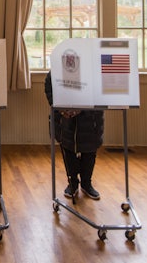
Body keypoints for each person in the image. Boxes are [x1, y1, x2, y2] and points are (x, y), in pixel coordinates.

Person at [44, 71, 104, 200]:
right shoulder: (62, 58)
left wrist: (81, 106)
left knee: (89, 151)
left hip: (91, 117)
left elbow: (99, 86)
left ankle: (86, 184)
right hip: (66, 117)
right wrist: (59, 107)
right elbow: (49, 83)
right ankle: (72, 183)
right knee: (68, 149)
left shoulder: (94, 61)